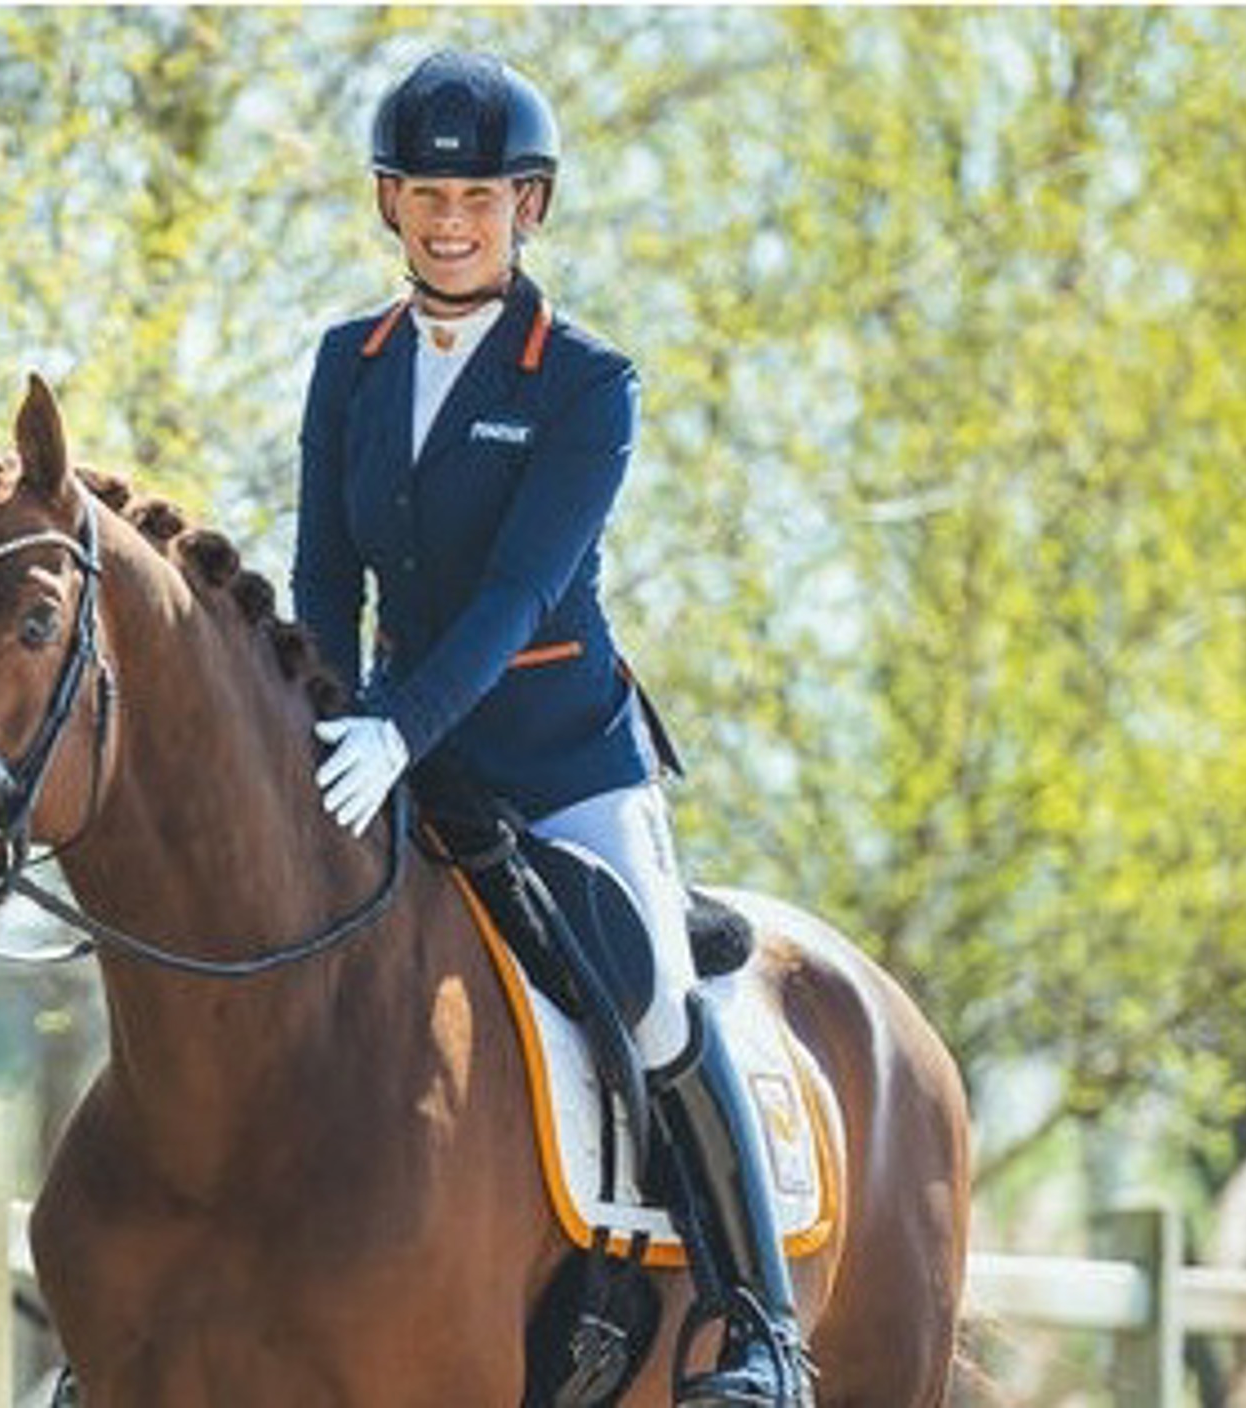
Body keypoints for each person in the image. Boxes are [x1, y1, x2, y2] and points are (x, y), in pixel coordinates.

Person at [291, 49, 813, 1408]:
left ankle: (760, 1327)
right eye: (425, 194)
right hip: (389, 754)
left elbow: (521, 593)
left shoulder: (587, 382)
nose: (450, 221)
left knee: (652, 990)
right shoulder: (348, 364)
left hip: (561, 763)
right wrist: (327, 719)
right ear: (390, 203)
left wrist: (398, 730)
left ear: (528, 207)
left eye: (479, 196)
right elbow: (323, 580)